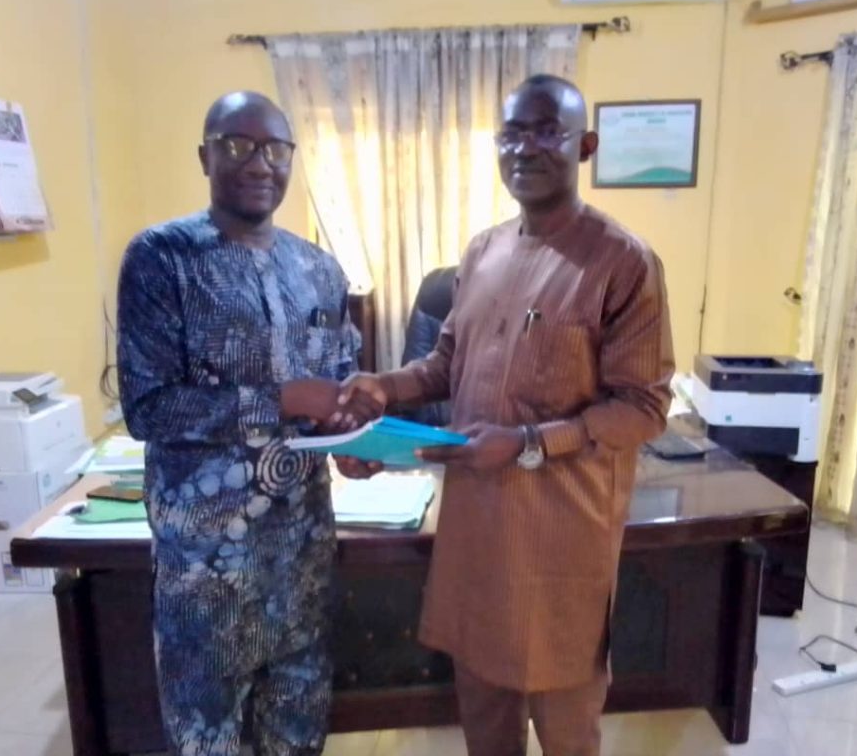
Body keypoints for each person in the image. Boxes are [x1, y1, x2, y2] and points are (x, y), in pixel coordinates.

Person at [338, 74, 675, 755]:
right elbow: (445, 365)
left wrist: (526, 443)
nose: (526, 147)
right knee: (485, 715)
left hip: (561, 540)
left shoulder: (622, 263)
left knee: (565, 726)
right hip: (476, 530)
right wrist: (384, 387)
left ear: (585, 145)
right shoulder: (483, 251)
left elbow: (643, 406)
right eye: (512, 133)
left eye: (546, 130)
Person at [116, 91, 378, 756]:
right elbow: (147, 407)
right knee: (208, 738)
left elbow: (341, 383)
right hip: (207, 568)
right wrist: (281, 398)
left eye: (275, 149)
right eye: (236, 145)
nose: (259, 162)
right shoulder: (160, 259)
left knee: (297, 732)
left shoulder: (319, 268)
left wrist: (355, 441)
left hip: (302, 557)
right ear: (204, 156)